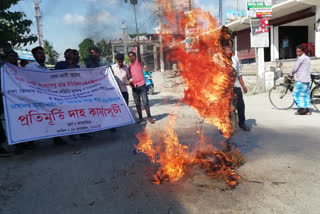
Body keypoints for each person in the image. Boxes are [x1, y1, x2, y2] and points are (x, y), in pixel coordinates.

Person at [128, 41, 154, 124]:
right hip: (134, 87)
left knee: (145, 102)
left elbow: (139, 56)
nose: (131, 57)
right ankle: (140, 118)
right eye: (130, 56)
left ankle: (149, 117)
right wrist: (131, 83)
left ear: (135, 57)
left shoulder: (138, 62)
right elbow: (129, 77)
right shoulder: (129, 66)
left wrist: (138, 48)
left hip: (142, 85)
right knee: (137, 103)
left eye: (132, 56)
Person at [0, 50, 19, 156]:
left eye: (16, 57)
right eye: (12, 56)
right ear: (6, 57)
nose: (15, 59)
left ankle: (19, 143)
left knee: (15, 120)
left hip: (14, 100)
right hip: (3, 98)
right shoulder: (2, 68)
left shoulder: (18, 70)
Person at [229, 40, 250, 131]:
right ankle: (226, 126)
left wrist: (243, 86)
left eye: (230, 45)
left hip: (236, 86)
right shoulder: (219, 57)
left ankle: (242, 123)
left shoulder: (235, 57)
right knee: (227, 108)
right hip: (225, 88)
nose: (229, 46)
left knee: (241, 106)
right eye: (227, 45)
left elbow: (239, 74)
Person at [288, 44, 311, 115]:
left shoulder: (301, 58)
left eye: (298, 51)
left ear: (302, 51)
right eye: (296, 51)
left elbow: (295, 68)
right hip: (307, 79)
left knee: (296, 93)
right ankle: (307, 111)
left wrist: (290, 74)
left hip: (301, 79)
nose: (297, 53)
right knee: (305, 94)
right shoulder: (307, 58)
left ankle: (301, 109)